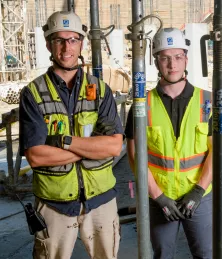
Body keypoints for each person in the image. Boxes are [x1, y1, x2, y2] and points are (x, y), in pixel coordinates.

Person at [19, 11, 123, 259]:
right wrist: (90, 149)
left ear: (82, 43)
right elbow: (36, 156)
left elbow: (113, 147)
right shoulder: (33, 93)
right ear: (48, 44)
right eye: (59, 40)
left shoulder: (99, 90)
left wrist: (64, 142)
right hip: (54, 204)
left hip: (101, 201)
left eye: (73, 39)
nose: (67, 47)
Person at [126, 28, 212, 259]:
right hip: (158, 197)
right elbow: (135, 154)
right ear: (156, 62)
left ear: (186, 59)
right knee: (163, 255)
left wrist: (198, 190)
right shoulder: (142, 105)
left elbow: (217, 152)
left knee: (205, 254)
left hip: (199, 195)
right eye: (164, 58)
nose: (172, 64)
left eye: (177, 57)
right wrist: (157, 196)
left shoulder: (208, 101)